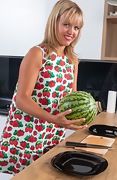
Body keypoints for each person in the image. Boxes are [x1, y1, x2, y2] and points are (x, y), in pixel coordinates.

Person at [0, 0, 86, 175]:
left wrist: (76, 121)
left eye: (76, 27)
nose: (71, 32)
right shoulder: (37, 53)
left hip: (51, 138)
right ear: (54, 22)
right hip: (25, 136)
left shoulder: (72, 61)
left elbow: (71, 101)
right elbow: (22, 99)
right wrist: (53, 119)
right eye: (66, 24)